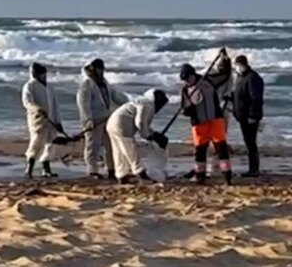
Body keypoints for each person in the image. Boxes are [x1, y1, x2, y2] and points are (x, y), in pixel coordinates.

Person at [178, 50, 234, 185]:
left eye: (189, 78)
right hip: (198, 123)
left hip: (215, 119)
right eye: (185, 80)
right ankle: (200, 176)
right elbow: (184, 109)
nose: (187, 81)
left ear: (193, 74)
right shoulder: (185, 90)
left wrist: (225, 59)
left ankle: (227, 178)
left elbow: (225, 76)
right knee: (200, 152)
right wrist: (188, 109)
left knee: (221, 149)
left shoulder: (208, 80)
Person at [76, 58, 129, 180]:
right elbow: (84, 104)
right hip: (93, 121)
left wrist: (127, 103)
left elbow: (114, 95)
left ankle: (111, 168)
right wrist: (88, 120)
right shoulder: (86, 84)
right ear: (92, 69)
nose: (100, 71)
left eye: (101, 69)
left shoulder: (104, 82)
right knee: (92, 146)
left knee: (110, 145)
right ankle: (92, 170)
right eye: (98, 69)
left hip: (107, 119)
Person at [106, 89, 169, 184]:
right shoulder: (148, 104)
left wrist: (153, 134)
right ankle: (141, 174)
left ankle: (121, 175)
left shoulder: (142, 101)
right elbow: (139, 123)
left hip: (111, 123)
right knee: (130, 150)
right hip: (122, 125)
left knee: (119, 151)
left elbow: (144, 125)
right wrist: (149, 136)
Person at [21, 62, 63, 178]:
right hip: (38, 120)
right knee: (36, 142)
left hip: (51, 120)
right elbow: (27, 102)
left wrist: (58, 121)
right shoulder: (29, 86)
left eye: (44, 74)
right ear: (36, 74)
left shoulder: (49, 87)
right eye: (41, 74)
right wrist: (37, 109)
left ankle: (46, 168)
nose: (44, 77)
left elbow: (55, 105)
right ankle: (29, 167)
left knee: (51, 143)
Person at [228, 55, 265, 177]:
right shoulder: (241, 78)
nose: (235, 69)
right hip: (242, 116)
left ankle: (254, 169)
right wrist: (231, 98)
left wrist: (253, 116)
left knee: (251, 143)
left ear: (242, 65)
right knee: (248, 141)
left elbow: (256, 99)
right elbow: (241, 96)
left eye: (237, 66)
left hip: (250, 117)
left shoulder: (252, 78)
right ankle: (252, 168)